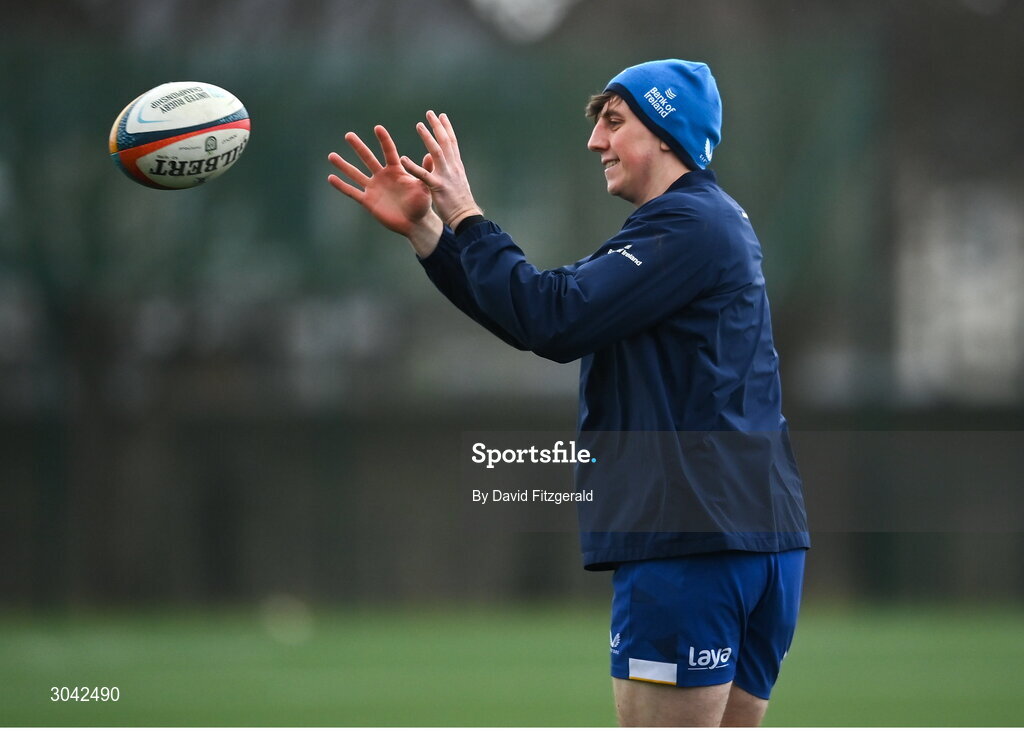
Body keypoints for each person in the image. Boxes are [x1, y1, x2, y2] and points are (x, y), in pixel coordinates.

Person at [327, 59, 810, 727]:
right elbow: (536, 313)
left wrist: (465, 214)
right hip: (755, 540)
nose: (595, 142)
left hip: (689, 544)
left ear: (667, 132)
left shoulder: (684, 227)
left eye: (614, 122)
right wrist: (430, 235)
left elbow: (551, 318)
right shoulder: (703, 225)